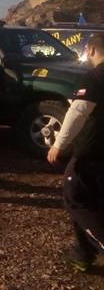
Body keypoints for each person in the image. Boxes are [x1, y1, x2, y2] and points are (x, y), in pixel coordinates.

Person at [47, 34, 104, 272]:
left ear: (91, 50)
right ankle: (83, 253)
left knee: (75, 198)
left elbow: (78, 112)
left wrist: (59, 144)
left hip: (92, 151)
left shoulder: (94, 77)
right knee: (94, 201)